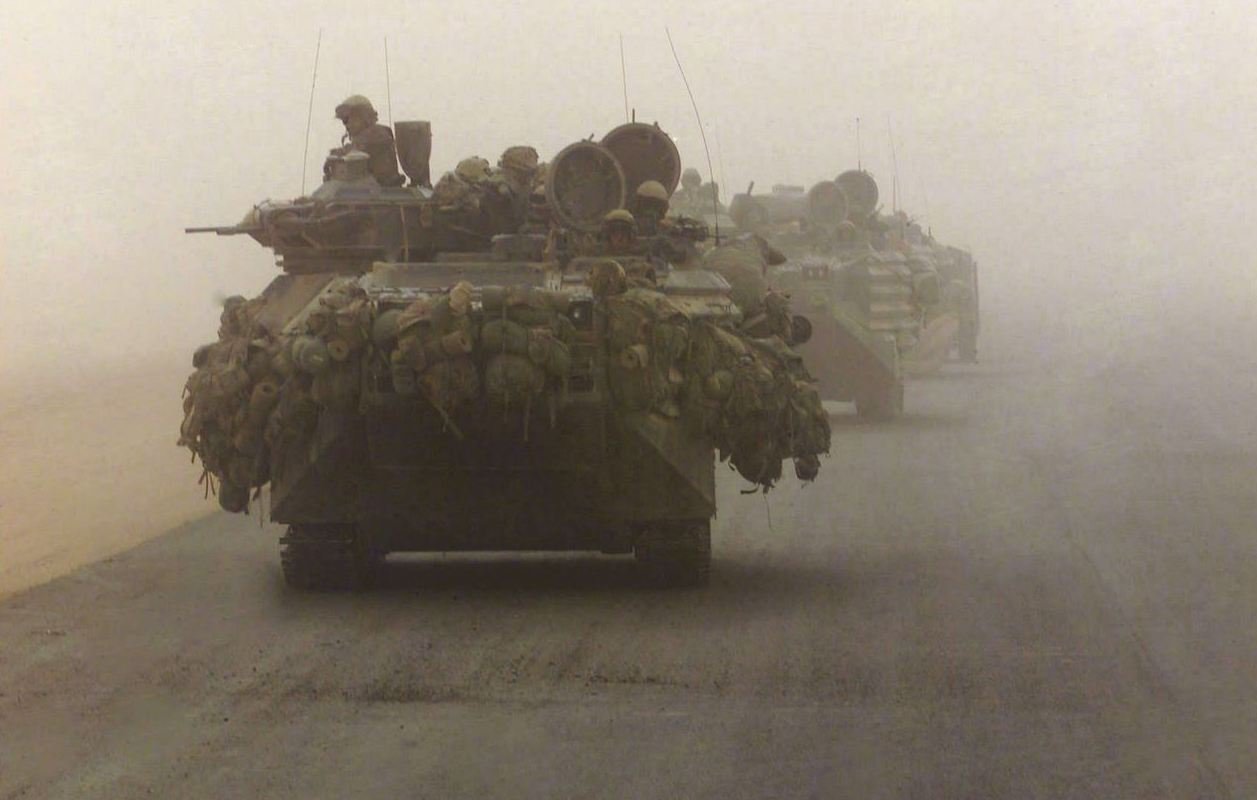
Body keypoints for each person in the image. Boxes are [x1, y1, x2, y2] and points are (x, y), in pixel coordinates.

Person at [328, 95, 404, 186]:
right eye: (344, 121)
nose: (346, 125)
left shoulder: (378, 134)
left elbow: (357, 150)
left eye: (347, 119)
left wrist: (337, 154)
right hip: (369, 193)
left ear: (363, 116)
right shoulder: (362, 139)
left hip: (383, 192)